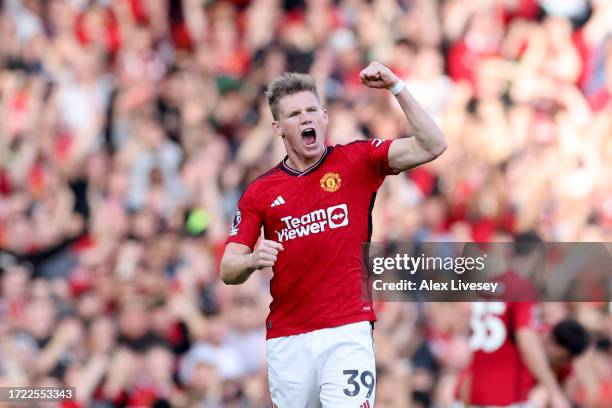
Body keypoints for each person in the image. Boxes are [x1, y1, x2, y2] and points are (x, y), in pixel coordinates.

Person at [219, 61, 446, 407]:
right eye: (295, 114)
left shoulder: (358, 160)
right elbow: (227, 269)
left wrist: (396, 87)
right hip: (288, 338)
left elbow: (432, 144)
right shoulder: (259, 192)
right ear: (278, 127)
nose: (306, 118)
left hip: (347, 331)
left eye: (312, 110)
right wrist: (252, 260)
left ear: (324, 116)